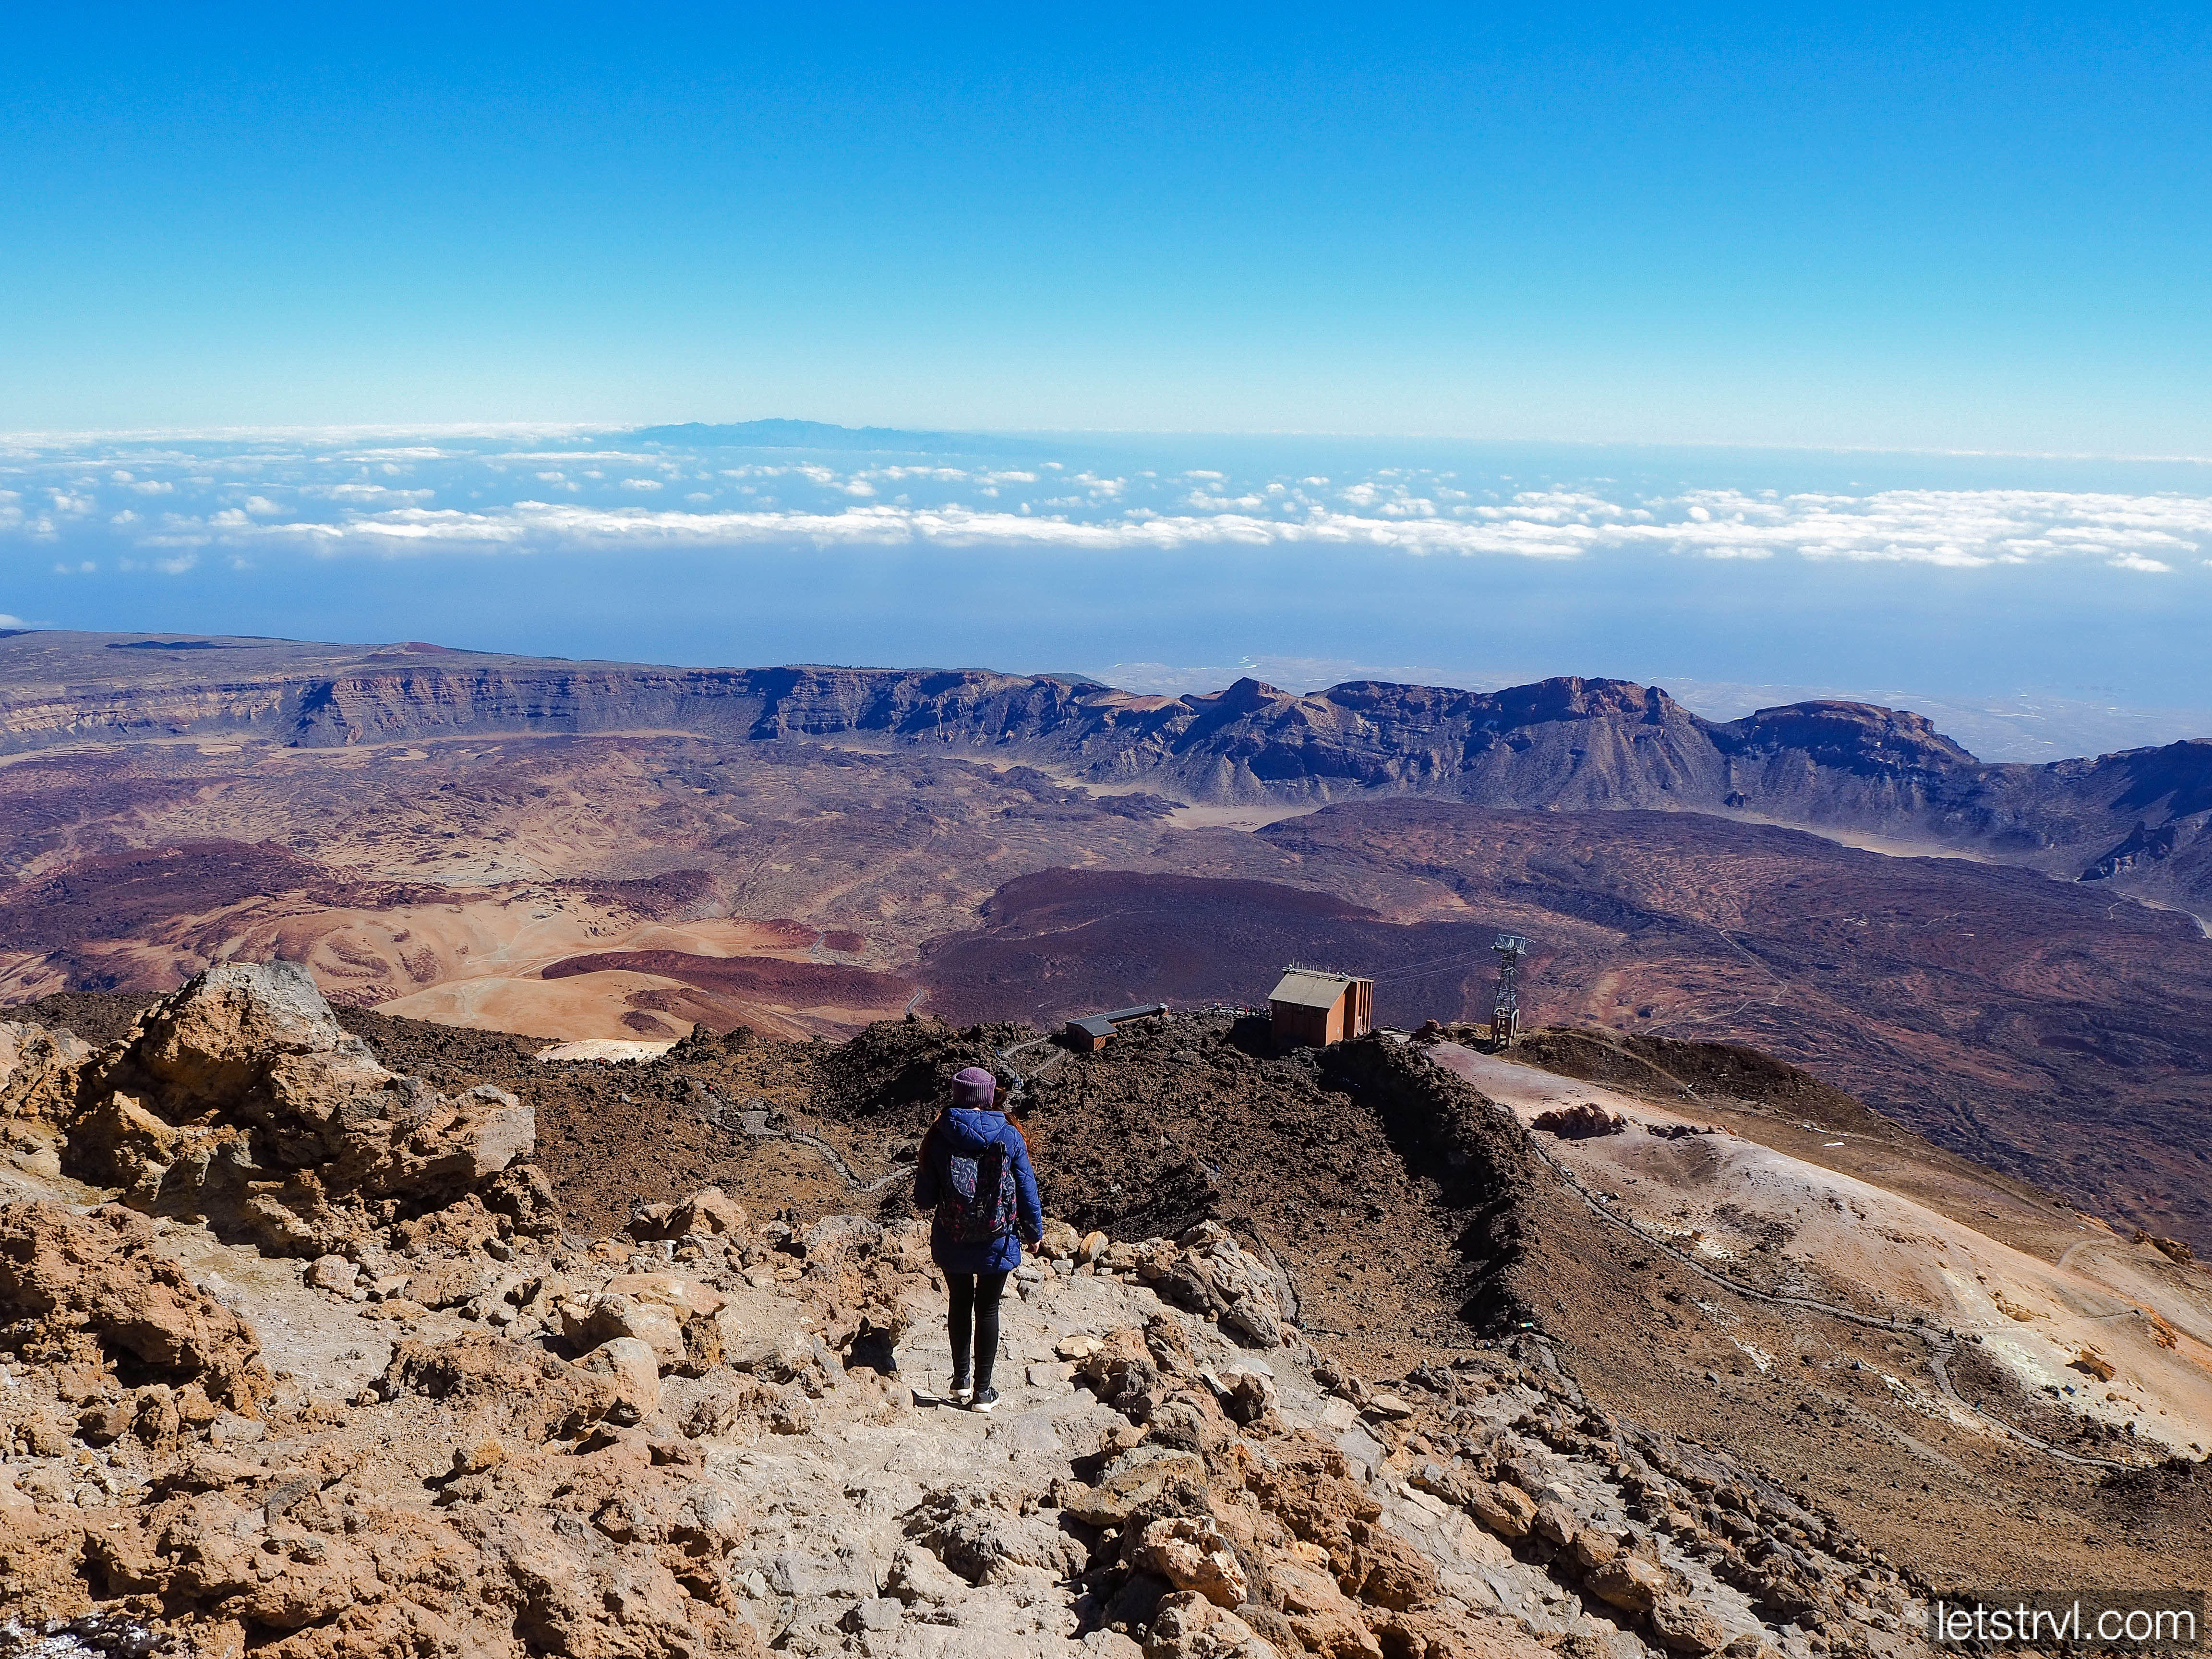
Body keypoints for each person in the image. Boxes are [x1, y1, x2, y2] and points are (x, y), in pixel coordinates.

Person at [912, 1065, 1042, 1411]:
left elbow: (924, 1200)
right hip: (996, 1240)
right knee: (988, 1308)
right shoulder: (1010, 1135)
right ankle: (984, 1393)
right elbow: (1027, 1187)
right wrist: (1033, 1232)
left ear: (957, 1096)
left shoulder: (938, 1135)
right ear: (989, 1097)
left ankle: (961, 1381)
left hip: (952, 1239)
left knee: (960, 1302)